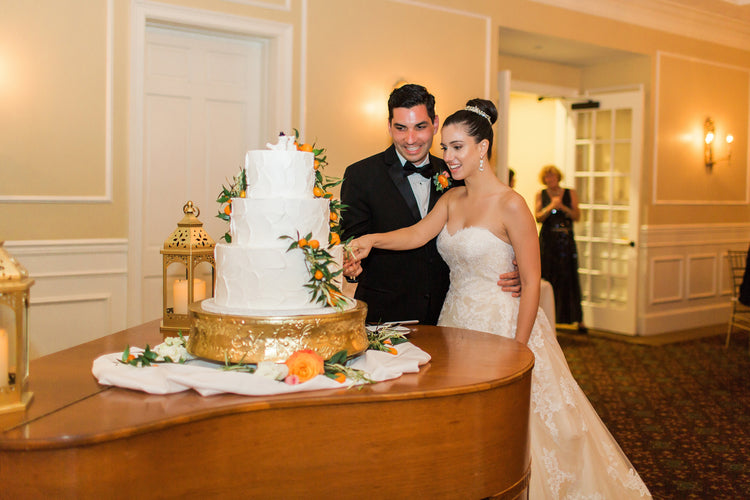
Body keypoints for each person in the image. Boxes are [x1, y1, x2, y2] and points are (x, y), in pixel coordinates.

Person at [350, 98, 651, 499]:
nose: (448, 156)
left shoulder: (512, 204)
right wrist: (371, 239)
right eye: (446, 147)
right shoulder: (452, 199)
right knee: (467, 423)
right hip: (455, 322)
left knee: (525, 429)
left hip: (503, 324)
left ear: (482, 148)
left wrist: (518, 348)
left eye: (457, 147)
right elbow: (416, 235)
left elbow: (530, 280)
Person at [340, 84, 519, 325]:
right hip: (386, 315)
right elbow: (355, 244)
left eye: (420, 127)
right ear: (389, 126)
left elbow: (499, 229)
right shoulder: (361, 175)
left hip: (448, 311)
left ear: (435, 124)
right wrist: (351, 269)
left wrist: (514, 269)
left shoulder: (457, 170)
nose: (410, 139)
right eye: (400, 128)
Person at [535, 165, 586, 332]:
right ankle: (546, 318)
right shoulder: (540, 195)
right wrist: (551, 207)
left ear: (558, 177)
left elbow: (577, 216)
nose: (551, 180)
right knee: (547, 276)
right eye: (548, 177)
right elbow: (538, 217)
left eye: (553, 176)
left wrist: (562, 207)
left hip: (566, 240)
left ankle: (577, 319)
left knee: (569, 277)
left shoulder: (569, 193)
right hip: (548, 241)